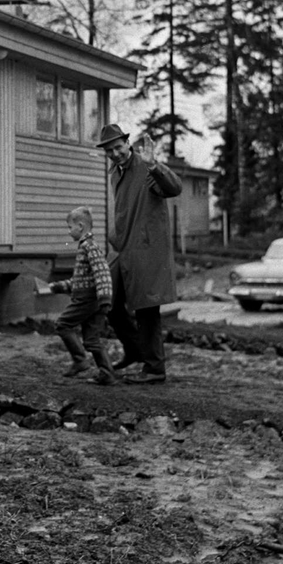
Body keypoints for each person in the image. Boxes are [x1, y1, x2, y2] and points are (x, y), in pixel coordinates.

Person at [95, 122, 182, 383]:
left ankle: (154, 368)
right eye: (110, 151)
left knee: (146, 308)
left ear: (127, 144)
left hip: (146, 249)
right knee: (108, 301)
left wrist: (155, 165)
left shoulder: (146, 167)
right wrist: (114, 237)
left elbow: (174, 188)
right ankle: (134, 351)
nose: (115, 154)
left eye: (118, 147)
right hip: (122, 248)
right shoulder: (115, 173)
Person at [48, 206, 118, 385]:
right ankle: (107, 374)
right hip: (93, 299)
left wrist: (105, 299)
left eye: (69, 227)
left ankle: (80, 360)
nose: (68, 231)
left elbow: (102, 272)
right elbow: (79, 281)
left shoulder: (89, 246)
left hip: (87, 300)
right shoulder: (87, 247)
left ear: (80, 226)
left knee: (62, 324)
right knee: (92, 339)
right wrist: (57, 287)